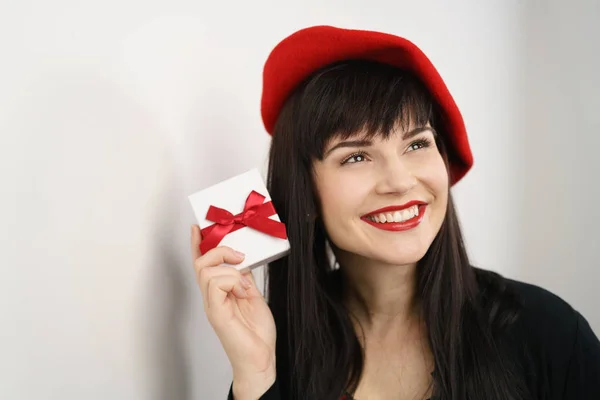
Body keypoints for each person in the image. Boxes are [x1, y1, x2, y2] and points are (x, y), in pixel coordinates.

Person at [189, 25, 600, 400]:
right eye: (355, 157)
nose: (400, 181)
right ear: (306, 193)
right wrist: (256, 375)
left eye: (417, 144)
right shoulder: (279, 348)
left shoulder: (549, 333)